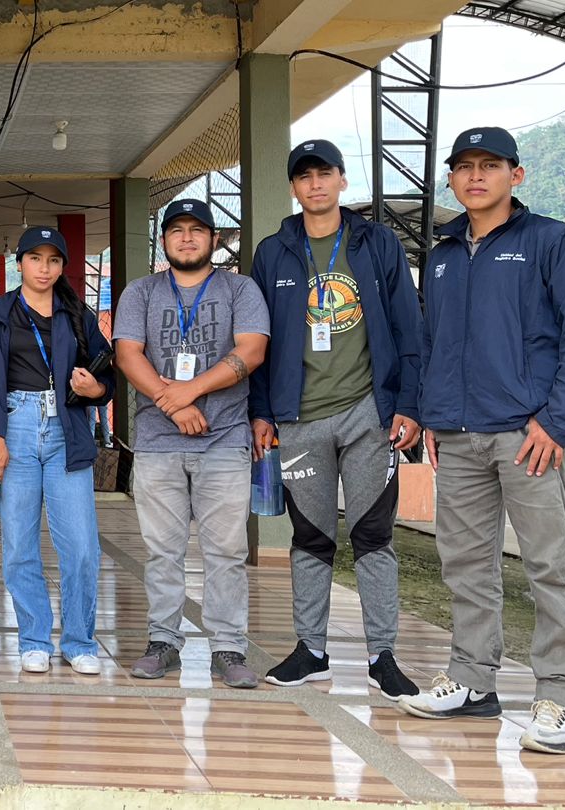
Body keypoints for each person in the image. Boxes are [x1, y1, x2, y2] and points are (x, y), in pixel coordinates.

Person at [400, 127, 565, 756]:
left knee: (551, 566)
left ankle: (560, 696)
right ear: (450, 179)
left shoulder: (554, 242)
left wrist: (558, 422)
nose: (476, 176)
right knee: (465, 564)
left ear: (515, 175)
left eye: (489, 165)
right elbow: (431, 343)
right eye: (464, 167)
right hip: (457, 434)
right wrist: (432, 415)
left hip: (529, 436)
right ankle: (472, 681)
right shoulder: (442, 256)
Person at [247, 140, 423, 700]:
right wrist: (261, 411)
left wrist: (409, 403)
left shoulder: (377, 242)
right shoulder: (273, 252)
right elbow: (256, 340)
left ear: (343, 181)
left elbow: (408, 324)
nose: (315, 184)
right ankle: (311, 651)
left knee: (373, 535)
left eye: (325, 174)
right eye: (304, 176)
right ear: (293, 187)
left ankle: (382, 655)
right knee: (310, 537)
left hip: (369, 412)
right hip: (299, 418)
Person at [112, 199, 268, 690]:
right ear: (163, 240)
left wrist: (190, 391)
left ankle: (228, 647)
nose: (186, 237)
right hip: (158, 442)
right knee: (163, 551)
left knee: (226, 551)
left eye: (196, 229)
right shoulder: (140, 292)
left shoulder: (239, 289)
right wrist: (174, 404)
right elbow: (127, 354)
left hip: (224, 440)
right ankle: (163, 641)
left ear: (214, 239)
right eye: (176, 229)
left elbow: (252, 350)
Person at [0, 226, 112, 674]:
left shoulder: (77, 313)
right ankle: (33, 638)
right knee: (19, 544)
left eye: (53, 260)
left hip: (67, 427)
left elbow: (106, 376)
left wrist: (94, 389)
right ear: (20, 263)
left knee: (82, 546)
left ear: (61, 266)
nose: (44, 268)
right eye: (35, 259)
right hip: (14, 427)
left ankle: (79, 641)